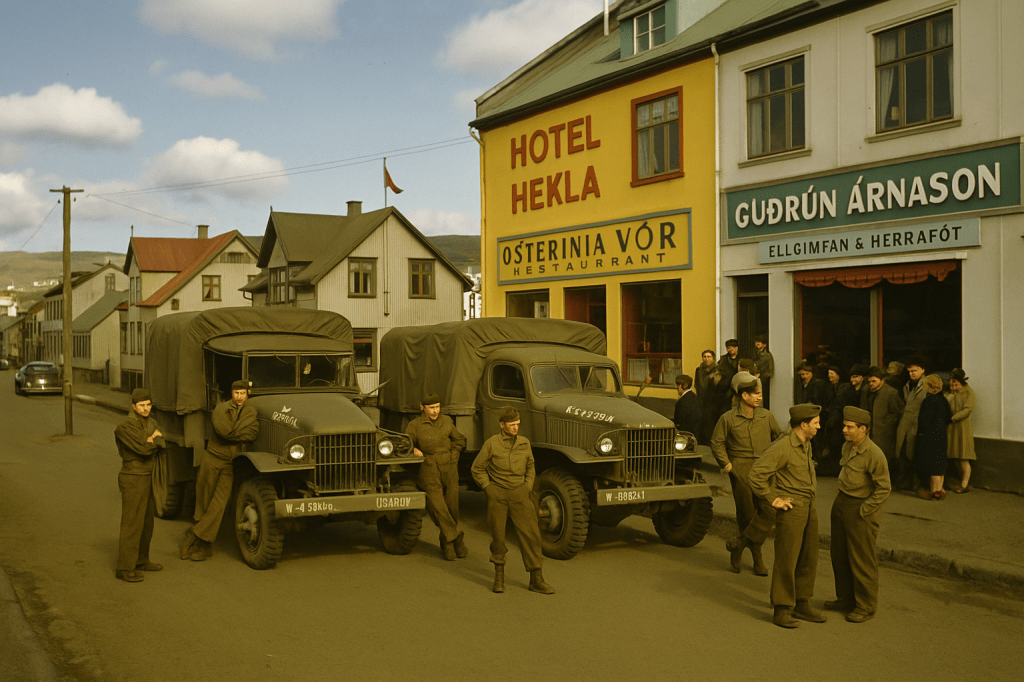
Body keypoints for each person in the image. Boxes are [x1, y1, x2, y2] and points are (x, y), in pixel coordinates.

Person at [749, 404, 826, 629]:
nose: (819, 427)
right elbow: (756, 474)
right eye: (816, 423)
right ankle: (782, 608)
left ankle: (802, 602)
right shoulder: (783, 446)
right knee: (787, 558)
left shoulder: (806, 443)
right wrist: (774, 498)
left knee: (808, 555)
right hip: (791, 508)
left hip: (809, 505)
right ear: (803, 425)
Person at [471, 406, 553, 595]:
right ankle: (499, 578)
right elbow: (477, 468)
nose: (516, 428)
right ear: (502, 425)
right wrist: (488, 488)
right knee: (498, 537)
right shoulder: (492, 443)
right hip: (498, 495)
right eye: (511, 424)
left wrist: (527, 486)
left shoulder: (524, 443)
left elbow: (531, 467)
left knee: (531, 535)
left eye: (517, 424)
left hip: (520, 494)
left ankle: (536, 579)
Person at [711, 372, 782, 576]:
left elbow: (779, 438)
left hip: (765, 470)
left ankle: (739, 544)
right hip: (741, 471)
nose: (759, 397)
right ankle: (757, 558)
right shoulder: (728, 418)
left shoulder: (766, 416)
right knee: (747, 515)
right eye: (755, 394)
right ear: (744, 396)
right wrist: (728, 466)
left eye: (760, 393)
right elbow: (717, 442)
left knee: (770, 510)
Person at [181, 379, 259, 561]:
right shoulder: (220, 409)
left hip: (230, 464)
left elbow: (253, 433)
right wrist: (239, 431)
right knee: (205, 502)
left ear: (248, 394)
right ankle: (204, 545)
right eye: (236, 393)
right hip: (212, 459)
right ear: (231, 394)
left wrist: (234, 432)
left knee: (219, 504)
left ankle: (193, 536)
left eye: (243, 393)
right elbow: (225, 432)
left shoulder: (251, 411)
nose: (240, 397)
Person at [826, 406, 891, 623]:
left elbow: (883, 488)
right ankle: (845, 598)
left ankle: (865, 606)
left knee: (862, 559)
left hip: (860, 508)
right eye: (844, 425)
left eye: (849, 427)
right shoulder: (847, 447)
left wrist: (864, 510)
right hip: (842, 502)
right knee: (840, 555)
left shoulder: (874, 454)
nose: (844, 429)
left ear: (863, 429)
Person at [406, 393, 468, 561]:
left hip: (449, 468)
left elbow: (459, 440)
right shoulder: (415, 425)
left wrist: (453, 458)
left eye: (437, 407)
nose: (435, 411)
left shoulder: (447, 421)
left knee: (452, 508)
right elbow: (406, 443)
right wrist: (414, 450)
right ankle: (456, 540)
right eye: (431, 408)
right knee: (439, 508)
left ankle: (447, 542)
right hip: (429, 469)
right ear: (422, 407)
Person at [114, 389, 165, 583]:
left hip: (148, 477)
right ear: (134, 406)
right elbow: (142, 448)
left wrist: (152, 439)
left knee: (146, 523)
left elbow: (162, 439)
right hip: (132, 477)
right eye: (142, 405)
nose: (145, 408)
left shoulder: (151, 422)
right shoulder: (125, 426)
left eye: (148, 405)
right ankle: (125, 567)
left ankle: (141, 560)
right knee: (132, 523)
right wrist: (152, 439)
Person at [914, 374, 952, 501]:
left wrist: (920, 432)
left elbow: (924, 420)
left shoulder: (929, 401)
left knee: (932, 464)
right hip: (942, 434)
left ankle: (934, 491)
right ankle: (940, 488)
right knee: (940, 462)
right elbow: (948, 418)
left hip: (929, 436)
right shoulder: (943, 400)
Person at [894, 356, 928, 489]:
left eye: (914, 370)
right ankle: (905, 482)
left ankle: (916, 484)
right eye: (910, 371)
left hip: (917, 425)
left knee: (914, 455)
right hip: (905, 425)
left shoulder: (925, 386)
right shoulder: (907, 386)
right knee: (903, 455)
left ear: (922, 370)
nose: (912, 373)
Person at [861, 366, 903, 466]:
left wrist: (886, 424)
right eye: (869, 381)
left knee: (883, 459)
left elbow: (897, 412)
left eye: (874, 381)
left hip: (884, 433)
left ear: (882, 380)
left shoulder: (891, 393)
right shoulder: (866, 391)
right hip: (871, 431)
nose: (871, 383)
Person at [821, 366, 856, 477]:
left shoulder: (843, 389)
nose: (830, 376)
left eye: (832, 373)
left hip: (838, 421)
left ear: (838, 375)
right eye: (829, 373)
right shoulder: (828, 388)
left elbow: (838, 406)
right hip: (832, 420)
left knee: (836, 444)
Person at [946, 368, 976, 493]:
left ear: (961, 383)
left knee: (963, 456)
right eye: (951, 384)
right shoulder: (951, 394)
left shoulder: (969, 393)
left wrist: (952, 418)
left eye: (955, 384)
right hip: (951, 427)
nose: (953, 386)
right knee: (954, 455)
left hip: (962, 427)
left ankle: (964, 484)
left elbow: (967, 409)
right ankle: (957, 481)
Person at [795, 363, 829, 462]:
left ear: (811, 373)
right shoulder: (804, 384)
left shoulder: (816, 384)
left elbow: (816, 400)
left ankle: (817, 459)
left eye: (806, 374)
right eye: (802, 374)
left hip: (814, 414)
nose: (804, 376)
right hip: (811, 413)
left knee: (815, 439)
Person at [754, 335, 775, 409]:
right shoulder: (756, 353)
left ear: (764, 344)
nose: (757, 344)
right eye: (756, 342)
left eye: (759, 342)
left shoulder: (766, 355)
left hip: (764, 379)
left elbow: (760, 365)